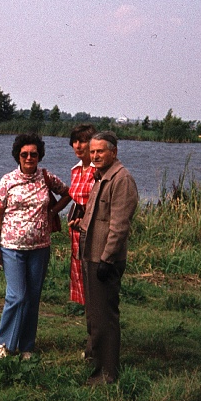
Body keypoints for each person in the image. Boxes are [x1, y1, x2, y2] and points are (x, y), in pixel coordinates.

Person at [0, 133, 70, 359]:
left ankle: (26, 347)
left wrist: (53, 211)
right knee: (17, 296)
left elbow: (67, 193)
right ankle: (2, 341)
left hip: (40, 248)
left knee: (33, 297)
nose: (29, 158)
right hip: (12, 248)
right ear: (18, 155)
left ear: (39, 156)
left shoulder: (45, 178)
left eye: (33, 154)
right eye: (24, 154)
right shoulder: (8, 181)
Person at [78, 131, 138, 385]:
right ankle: (96, 358)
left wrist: (107, 258)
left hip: (104, 258)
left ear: (114, 152)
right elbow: (97, 216)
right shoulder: (101, 176)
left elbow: (119, 225)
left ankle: (106, 374)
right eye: (92, 152)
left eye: (100, 151)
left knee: (105, 318)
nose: (95, 156)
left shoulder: (121, 179)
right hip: (91, 254)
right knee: (94, 314)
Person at [65, 124, 98, 309]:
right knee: (80, 273)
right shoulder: (76, 170)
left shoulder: (97, 171)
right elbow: (72, 196)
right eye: (75, 141)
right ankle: (87, 317)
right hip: (76, 230)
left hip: (91, 229)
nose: (78, 145)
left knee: (92, 277)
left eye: (83, 141)